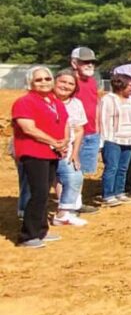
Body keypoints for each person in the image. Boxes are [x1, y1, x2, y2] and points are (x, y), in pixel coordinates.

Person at [12, 66, 68, 248]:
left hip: (51, 152)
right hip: (33, 152)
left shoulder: (54, 101)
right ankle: (28, 235)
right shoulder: (24, 102)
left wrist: (64, 141)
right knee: (38, 193)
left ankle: (41, 230)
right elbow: (28, 128)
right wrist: (54, 141)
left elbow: (65, 122)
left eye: (47, 78)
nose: (44, 82)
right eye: (39, 80)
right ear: (30, 83)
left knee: (44, 193)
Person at [51, 69, 88, 226]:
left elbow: (79, 130)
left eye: (70, 84)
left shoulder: (76, 103)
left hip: (66, 149)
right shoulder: (45, 100)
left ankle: (63, 213)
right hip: (43, 148)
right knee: (37, 183)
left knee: (74, 177)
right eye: (63, 81)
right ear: (55, 81)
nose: (66, 86)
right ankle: (25, 213)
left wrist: (75, 153)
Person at [97, 73, 131, 206]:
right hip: (112, 139)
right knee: (112, 167)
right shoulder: (108, 99)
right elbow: (103, 120)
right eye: (130, 85)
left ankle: (119, 192)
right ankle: (108, 194)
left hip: (128, 139)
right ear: (121, 85)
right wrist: (103, 141)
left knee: (123, 168)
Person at [69, 47, 101, 193]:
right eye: (85, 62)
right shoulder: (68, 82)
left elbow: (97, 103)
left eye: (92, 62)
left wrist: (98, 129)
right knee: (70, 170)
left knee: (81, 171)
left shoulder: (92, 81)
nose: (90, 65)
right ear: (74, 63)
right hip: (74, 134)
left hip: (91, 133)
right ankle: (69, 204)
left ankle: (76, 201)